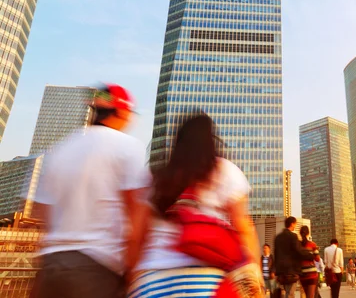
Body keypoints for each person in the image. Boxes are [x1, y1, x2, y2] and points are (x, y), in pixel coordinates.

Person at [30, 84, 151, 298]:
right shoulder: (126, 146)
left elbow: (41, 211)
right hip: (97, 267)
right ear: (122, 112)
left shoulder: (61, 149)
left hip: (50, 266)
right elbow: (135, 214)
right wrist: (133, 269)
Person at [129, 114, 261, 297]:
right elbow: (244, 228)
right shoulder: (224, 171)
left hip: (153, 280)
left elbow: (136, 236)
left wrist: (131, 277)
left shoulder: (156, 177)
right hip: (208, 280)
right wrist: (254, 275)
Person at [274, 217, 314, 298]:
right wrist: (310, 255)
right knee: (290, 294)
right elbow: (298, 251)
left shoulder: (278, 237)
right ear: (292, 223)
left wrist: (276, 271)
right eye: (295, 224)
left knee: (286, 293)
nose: (295, 226)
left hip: (281, 272)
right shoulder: (293, 236)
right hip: (291, 271)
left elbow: (276, 254)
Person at [299, 226, 319, 298]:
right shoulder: (312, 244)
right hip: (312, 274)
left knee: (307, 295)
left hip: (302, 274)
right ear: (308, 233)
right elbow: (317, 259)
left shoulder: (298, 245)